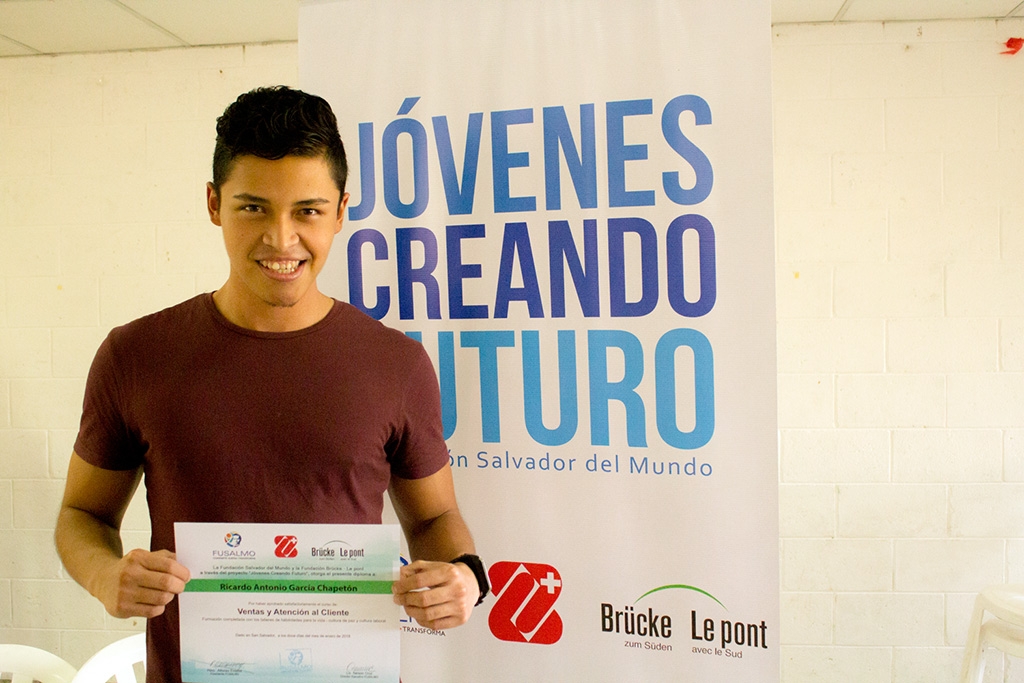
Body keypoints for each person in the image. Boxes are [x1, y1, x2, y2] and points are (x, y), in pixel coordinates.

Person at [55, 86, 487, 682]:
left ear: (341, 211)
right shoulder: (136, 355)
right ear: (214, 203)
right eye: (253, 208)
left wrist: (463, 577)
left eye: (307, 211)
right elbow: (82, 512)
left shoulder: (397, 364)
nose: (281, 239)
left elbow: (434, 518)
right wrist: (105, 575)